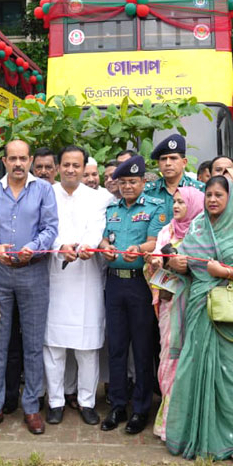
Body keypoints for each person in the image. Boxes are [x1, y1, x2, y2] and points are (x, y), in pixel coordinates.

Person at [153, 176, 233, 461]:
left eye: (219, 195)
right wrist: (177, 263)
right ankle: (192, 434)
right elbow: (186, 265)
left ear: (230, 199)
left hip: (231, 313)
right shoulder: (198, 227)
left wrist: (224, 272)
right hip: (199, 309)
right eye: (209, 195)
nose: (213, 200)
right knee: (194, 369)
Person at [0, 139, 59, 436]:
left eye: (23, 158)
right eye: (12, 158)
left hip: (33, 272)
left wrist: (33, 248)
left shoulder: (43, 190)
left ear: (30, 160)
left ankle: (32, 408)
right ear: (4, 159)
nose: (18, 164)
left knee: (33, 345)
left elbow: (50, 228)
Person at [98, 155, 162, 435]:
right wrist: (104, 246)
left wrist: (140, 248)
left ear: (143, 182)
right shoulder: (112, 210)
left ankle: (140, 409)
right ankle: (118, 404)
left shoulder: (155, 208)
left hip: (140, 284)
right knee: (117, 346)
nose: (127, 187)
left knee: (143, 348)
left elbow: (155, 240)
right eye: (122, 182)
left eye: (132, 181)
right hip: (114, 284)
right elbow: (102, 237)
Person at [45, 146, 106, 426]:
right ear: (58, 167)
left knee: (87, 346)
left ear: (84, 169)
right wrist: (60, 246)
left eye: (76, 165)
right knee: (54, 346)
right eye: (66, 164)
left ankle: (86, 401)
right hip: (55, 275)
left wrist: (85, 246)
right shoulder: (46, 194)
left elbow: (97, 228)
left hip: (87, 274)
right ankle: (55, 401)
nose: (71, 170)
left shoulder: (98, 198)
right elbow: (45, 228)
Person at [145, 186, 203, 440]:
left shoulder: (201, 232)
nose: (176, 206)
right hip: (169, 303)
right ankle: (169, 422)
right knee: (169, 357)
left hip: (196, 304)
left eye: (182, 202)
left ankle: (191, 424)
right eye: (175, 201)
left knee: (192, 360)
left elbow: (207, 265)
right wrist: (155, 262)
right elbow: (154, 267)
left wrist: (184, 266)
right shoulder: (165, 231)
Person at [145, 134, 205, 226]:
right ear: (158, 164)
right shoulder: (148, 191)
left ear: (184, 162)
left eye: (173, 158)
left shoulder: (199, 190)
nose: (168, 163)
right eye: (163, 159)